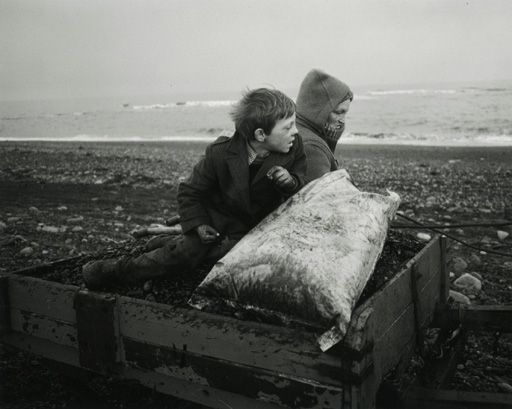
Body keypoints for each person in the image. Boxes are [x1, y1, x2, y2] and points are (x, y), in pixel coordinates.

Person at [82, 88, 306, 289]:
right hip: (216, 225)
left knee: (229, 254)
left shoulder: (293, 148)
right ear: (260, 135)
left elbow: (303, 186)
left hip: (259, 230)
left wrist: (290, 182)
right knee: (184, 255)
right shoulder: (220, 153)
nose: (295, 131)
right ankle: (113, 271)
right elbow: (190, 192)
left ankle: (162, 243)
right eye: (288, 127)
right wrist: (198, 225)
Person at [296, 68, 353, 184]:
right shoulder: (312, 147)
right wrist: (327, 143)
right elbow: (322, 196)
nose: (342, 121)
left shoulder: (297, 128)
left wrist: (329, 140)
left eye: (345, 113)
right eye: (338, 112)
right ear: (319, 108)